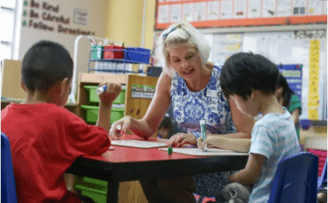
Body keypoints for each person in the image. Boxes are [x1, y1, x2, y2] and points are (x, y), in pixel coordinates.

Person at [109, 21, 254, 202]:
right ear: (169, 60)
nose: (184, 65)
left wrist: (201, 139)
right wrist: (130, 121)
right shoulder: (169, 78)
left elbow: (248, 135)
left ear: (200, 52)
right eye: (176, 60)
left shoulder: (224, 78)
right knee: (147, 174)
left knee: (169, 181)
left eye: (189, 56)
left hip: (225, 164)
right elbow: (148, 126)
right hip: (190, 159)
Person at [1, 41, 122, 203]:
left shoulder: (3, 116)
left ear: (23, 83)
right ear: (63, 86)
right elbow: (102, 141)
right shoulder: (60, 119)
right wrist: (106, 104)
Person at [200, 52, 301, 203]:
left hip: (263, 199)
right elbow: (252, 145)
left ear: (251, 94)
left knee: (224, 192)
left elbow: (250, 174)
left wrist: (229, 178)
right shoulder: (284, 118)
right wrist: (214, 140)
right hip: (285, 197)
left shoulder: (264, 126)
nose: (236, 106)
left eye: (234, 99)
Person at [275, 73, 302, 139]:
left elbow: (293, 120)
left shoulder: (293, 98)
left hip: (291, 137)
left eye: (278, 88)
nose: (276, 91)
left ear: (283, 87)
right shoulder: (271, 99)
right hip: (276, 137)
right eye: (273, 88)